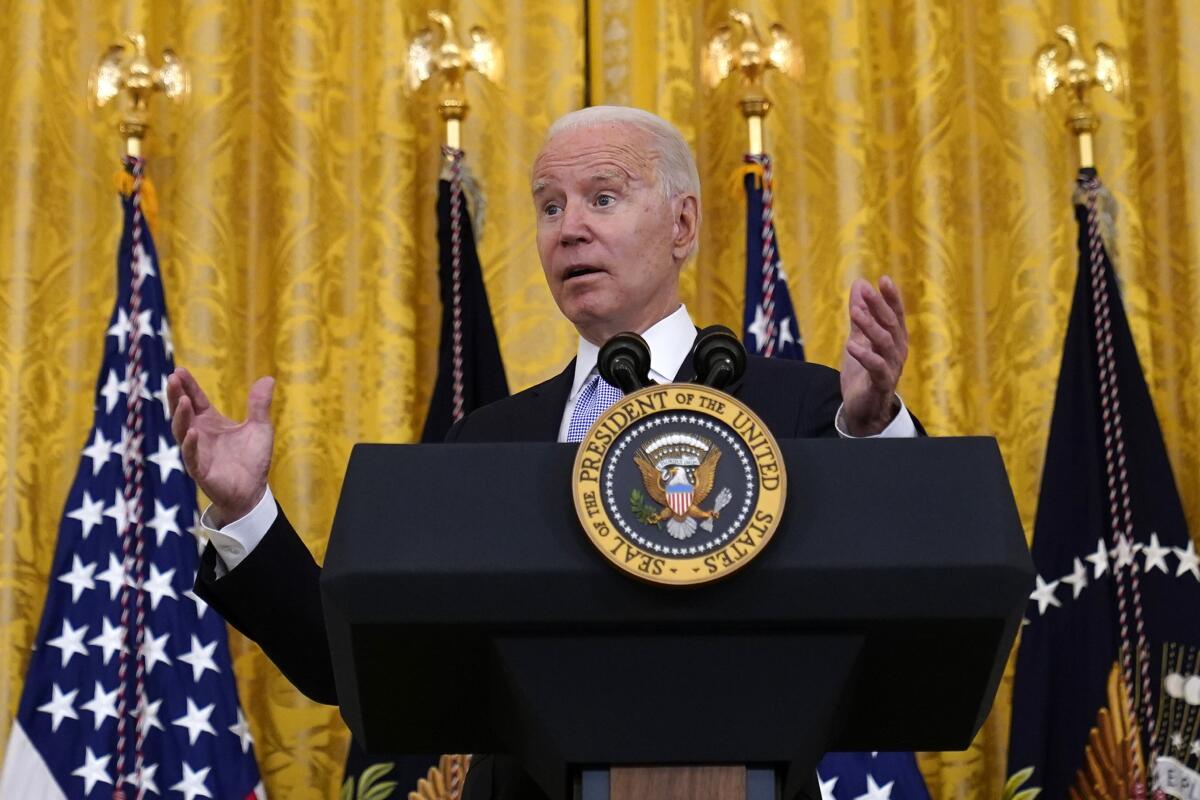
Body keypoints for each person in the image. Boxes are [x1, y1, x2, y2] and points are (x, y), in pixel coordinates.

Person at [169, 106, 916, 800]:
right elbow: (351, 663)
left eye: (603, 197)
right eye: (550, 206)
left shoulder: (805, 409)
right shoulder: (487, 442)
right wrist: (245, 511)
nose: (569, 229)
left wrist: (873, 430)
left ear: (683, 225)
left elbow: (901, 582)